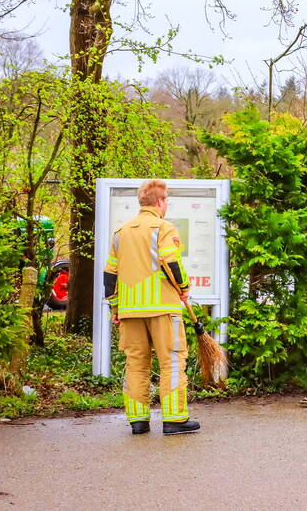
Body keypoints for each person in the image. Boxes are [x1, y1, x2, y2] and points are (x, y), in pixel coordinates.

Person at [103, 179, 200, 436]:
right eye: (166, 200)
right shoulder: (164, 227)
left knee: (136, 364)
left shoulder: (120, 233)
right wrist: (183, 286)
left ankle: (138, 421)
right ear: (160, 202)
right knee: (172, 361)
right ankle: (174, 419)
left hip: (130, 311)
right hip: (163, 308)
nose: (167, 205)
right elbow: (170, 260)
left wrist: (115, 309)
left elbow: (109, 275)